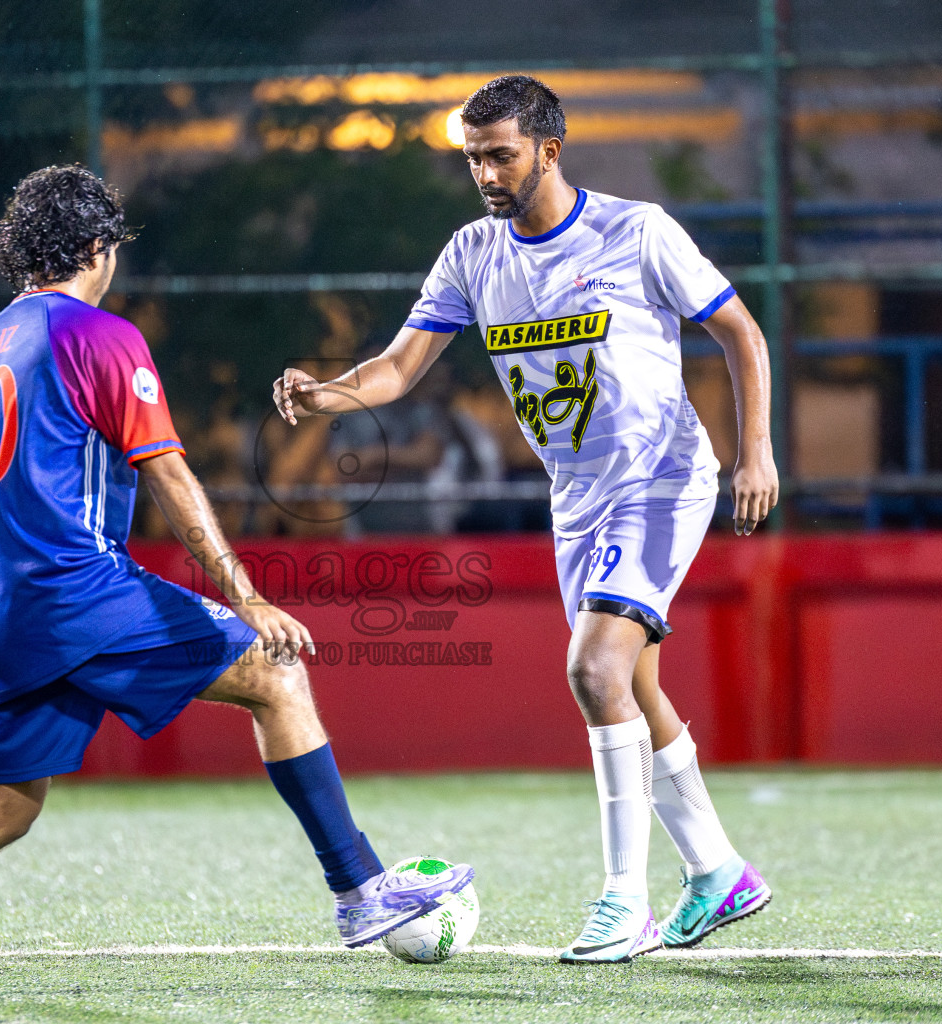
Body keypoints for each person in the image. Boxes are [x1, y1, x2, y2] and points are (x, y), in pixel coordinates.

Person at [0, 165, 472, 995]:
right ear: (98, 247)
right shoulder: (100, 336)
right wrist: (245, 596)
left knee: (5, 809)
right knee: (278, 674)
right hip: (78, 592)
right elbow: (171, 477)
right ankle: (358, 890)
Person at [274, 76, 778, 965]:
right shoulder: (472, 252)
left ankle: (626, 901)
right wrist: (328, 397)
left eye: (499, 153)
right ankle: (719, 870)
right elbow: (398, 368)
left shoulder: (637, 231)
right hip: (576, 499)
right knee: (631, 684)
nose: (484, 172)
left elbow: (741, 331)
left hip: (660, 479)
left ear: (550, 147)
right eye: (472, 157)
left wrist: (757, 453)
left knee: (592, 669)